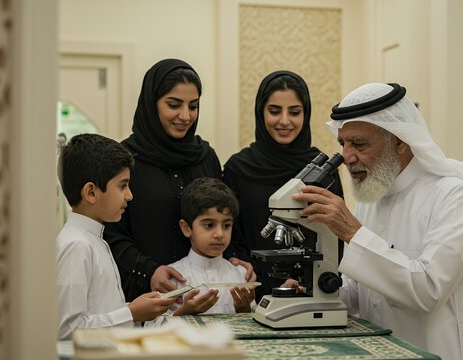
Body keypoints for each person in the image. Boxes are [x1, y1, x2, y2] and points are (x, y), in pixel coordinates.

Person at [288, 83, 463, 359]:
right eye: (343, 144)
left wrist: (353, 233)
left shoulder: (451, 193)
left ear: (400, 141)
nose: (346, 157)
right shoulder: (374, 193)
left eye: (359, 143)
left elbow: (429, 289)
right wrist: (313, 293)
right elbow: (362, 291)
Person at [104, 59, 254, 302]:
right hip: (145, 297)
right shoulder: (126, 159)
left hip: (205, 295)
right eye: (174, 105)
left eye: (193, 106)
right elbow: (112, 233)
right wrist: (149, 270)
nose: (185, 116)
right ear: (151, 104)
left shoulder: (205, 157)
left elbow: (223, 214)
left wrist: (235, 256)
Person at [223, 70, 344, 301]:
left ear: (306, 114)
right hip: (250, 291)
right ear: (261, 112)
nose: (285, 121)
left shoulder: (323, 172)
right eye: (275, 111)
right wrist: (241, 270)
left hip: (309, 291)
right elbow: (232, 237)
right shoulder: (238, 169)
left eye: (295, 112)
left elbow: (337, 236)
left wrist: (305, 282)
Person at [56, 133, 175, 340]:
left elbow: (102, 311)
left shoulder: (95, 239)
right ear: (91, 192)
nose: (130, 195)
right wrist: (131, 313)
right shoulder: (77, 245)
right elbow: (66, 331)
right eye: (122, 185)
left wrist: (144, 310)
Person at [148, 177, 256, 325]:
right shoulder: (172, 277)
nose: (219, 234)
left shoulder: (240, 274)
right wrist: (183, 313)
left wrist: (243, 309)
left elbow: (256, 326)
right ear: (186, 228)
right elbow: (151, 328)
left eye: (226, 225)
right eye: (209, 225)